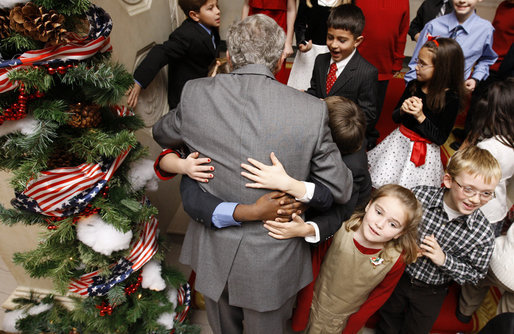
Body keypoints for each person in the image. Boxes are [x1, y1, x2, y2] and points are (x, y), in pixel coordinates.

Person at [151, 14, 352, 333]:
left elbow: (162, 133)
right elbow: (340, 188)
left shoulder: (196, 94)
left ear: (230, 57)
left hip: (214, 250)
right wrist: (296, 188)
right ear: (279, 61)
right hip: (272, 259)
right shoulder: (311, 111)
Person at [376, 145, 502, 334]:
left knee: (417, 329)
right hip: (399, 276)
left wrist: (444, 259)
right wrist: (405, 246)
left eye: (486, 193)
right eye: (469, 189)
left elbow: (476, 274)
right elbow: (397, 226)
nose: (476, 199)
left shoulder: (482, 234)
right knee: (387, 318)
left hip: (432, 291)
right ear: (448, 180)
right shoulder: (419, 197)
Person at [306, 184, 422, 333]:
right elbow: (313, 266)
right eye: (379, 212)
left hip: (345, 321)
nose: (379, 224)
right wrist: (302, 311)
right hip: (313, 306)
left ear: (400, 233)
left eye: (392, 224)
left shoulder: (395, 260)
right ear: (369, 205)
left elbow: (379, 296)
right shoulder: (340, 229)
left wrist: (352, 327)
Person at [368, 37, 465, 189]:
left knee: (409, 193)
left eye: (422, 64)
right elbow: (394, 118)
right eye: (417, 61)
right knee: (385, 184)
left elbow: (439, 138)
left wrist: (420, 117)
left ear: (441, 69)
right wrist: (402, 110)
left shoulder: (451, 99)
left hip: (424, 154)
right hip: (399, 144)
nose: (416, 67)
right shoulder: (414, 86)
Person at [456, 79, 514, 322]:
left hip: (477, 207)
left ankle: (460, 291)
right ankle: (466, 309)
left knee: (468, 251)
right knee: (481, 247)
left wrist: (469, 142)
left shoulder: (489, 147)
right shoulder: (510, 142)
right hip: (498, 209)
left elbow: (462, 169)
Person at [305, 3, 378, 148]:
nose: (333, 45)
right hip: (316, 131)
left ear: (357, 41)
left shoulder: (366, 72)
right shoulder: (320, 61)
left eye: (342, 40)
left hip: (345, 140)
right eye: (330, 37)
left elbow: (367, 116)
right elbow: (315, 91)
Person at [126, 0, 220, 110]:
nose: (218, 11)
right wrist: (138, 81)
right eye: (210, 8)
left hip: (202, 86)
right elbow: (161, 52)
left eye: (217, 6)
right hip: (185, 99)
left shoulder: (210, 25)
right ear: (194, 15)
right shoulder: (186, 35)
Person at [404, 0, 497, 94]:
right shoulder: (433, 25)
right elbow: (416, 62)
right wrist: (412, 91)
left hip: (456, 93)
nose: (462, 1)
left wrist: (476, 78)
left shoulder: (485, 30)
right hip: (426, 90)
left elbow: (487, 58)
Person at [355, 0, 410, 149]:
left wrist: (398, 60)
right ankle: (350, 134)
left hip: (384, 61)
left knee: (375, 104)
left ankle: (369, 134)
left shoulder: (403, 2)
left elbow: (402, 32)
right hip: (358, 58)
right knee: (353, 100)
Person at [287, 0, 348, 91]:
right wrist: (301, 42)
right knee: (301, 90)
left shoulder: (345, 3)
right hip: (309, 53)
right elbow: (300, 23)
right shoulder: (308, 1)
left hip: (334, 53)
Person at [242, 0, 297, 84]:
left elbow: (291, 10)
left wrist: (288, 42)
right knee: (249, 74)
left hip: (277, 28)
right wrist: (241, 34)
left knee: (277, 76)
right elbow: (246, 5)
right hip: (252, 28)